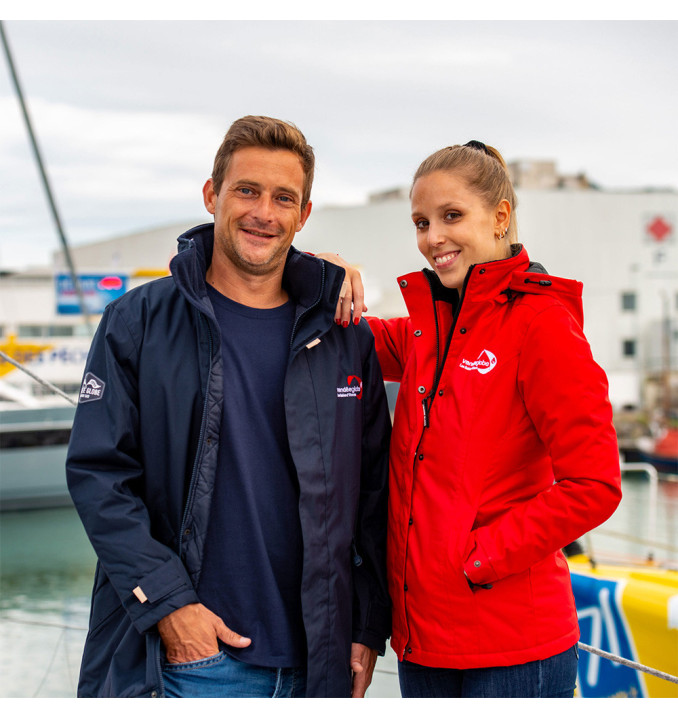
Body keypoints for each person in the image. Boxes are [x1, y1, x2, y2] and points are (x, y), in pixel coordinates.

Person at [66, 115, 391, 699]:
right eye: (247, 190)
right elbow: (100, 475)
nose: (264, 212)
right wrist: (171, 609)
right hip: (190, 663)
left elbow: (370, 494)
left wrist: (365, 625)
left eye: (283, 198)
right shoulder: (137, 322)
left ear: (304, 214)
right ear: (212, 195)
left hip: (319, 666)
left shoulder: (346, 336)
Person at [321, 140, 622, 698]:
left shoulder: (543, 326)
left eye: (451, 216)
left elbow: (595, 485)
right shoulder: (423, 330)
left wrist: (478, 558)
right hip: (423, 643)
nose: (432, 237)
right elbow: (347, 333)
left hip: (513, 648)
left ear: (500, 216)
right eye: (420, 221)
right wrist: (324, 273)